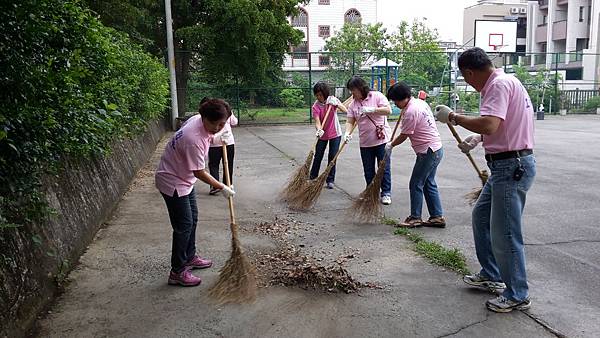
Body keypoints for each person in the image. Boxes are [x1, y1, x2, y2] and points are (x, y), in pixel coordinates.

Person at [434, 47, 536, 313]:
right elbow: (502, 126)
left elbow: (490, 124)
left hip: (511, 167)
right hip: (506, 165)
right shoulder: (508, 81)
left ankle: (517, 293)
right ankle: (492, 274)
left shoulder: (497, 86)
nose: (469, 84)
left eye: (466, 79)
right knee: (481, 216)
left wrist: (454, 118)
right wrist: (478, 139)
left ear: (469, 72)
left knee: (506, 233)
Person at [155, 98, 236, 287]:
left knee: (193, 219)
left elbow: (208, 136)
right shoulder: (193, 140)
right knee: (183, 226)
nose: (219, 127)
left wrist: (217, 137)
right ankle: (177, 271)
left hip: (184, 180)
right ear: (205, 118)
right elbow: (199, 171)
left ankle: (189, 257)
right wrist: (222, 186)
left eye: (222, 124)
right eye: (216, 124)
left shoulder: (197, 121)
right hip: (173, 182)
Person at [386, 82, 446, 228]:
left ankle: (415, 218)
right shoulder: (419, 103)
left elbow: (405, 134)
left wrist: (391, 144)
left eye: (395, 101)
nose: (395, 104)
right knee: (428, 182)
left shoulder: (411, 111)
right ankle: (437, 217)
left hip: (428, 152)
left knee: (416, 183)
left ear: (403, 98)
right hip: (436, 148)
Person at [344, 76, 393, 205]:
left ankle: (386, 193)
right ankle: (371, 192)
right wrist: (347, 133)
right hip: (365, 142)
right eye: (351, 91)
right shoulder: (353, 104)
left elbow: (388, 111)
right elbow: (350, 121)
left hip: (382, 140)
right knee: (368, 169)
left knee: (383, 167)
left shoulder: (376, 96)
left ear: (361, 88)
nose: (352, 93)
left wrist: (372, 110)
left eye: (353, 90)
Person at [310, 82, 347, 189]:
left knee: (332, 157)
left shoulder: (332, 101)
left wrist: (337, 104)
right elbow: (317, 121)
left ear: (325, 93)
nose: (319, 97)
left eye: (320, 95)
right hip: (322, 134)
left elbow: (346, 111)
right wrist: (319, 129)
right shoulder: (316, 106)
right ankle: (313, 176)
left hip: (335, 133)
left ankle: (330, 179)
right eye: (317, 95)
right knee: (318, 156)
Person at [208, 103, 238, 195]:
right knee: (228, 164)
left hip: (215, 143)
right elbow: (234, 122)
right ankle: (227, 184)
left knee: (214, 164)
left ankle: (215, 185)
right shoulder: (228, 112)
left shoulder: (212, 112)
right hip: (228, 141)